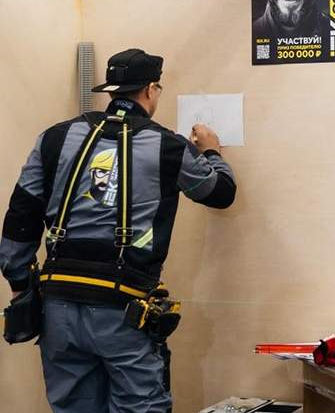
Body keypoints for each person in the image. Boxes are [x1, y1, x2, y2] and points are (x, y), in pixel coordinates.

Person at [0, 48, 237, 412]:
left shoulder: (54, 138)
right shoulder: (167, 145)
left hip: (58, 308)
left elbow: (20, 215)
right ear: (151, 90)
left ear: (111, 91)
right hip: (124, 310)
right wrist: (211, 152)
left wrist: (20, 284)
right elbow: (220, 193)